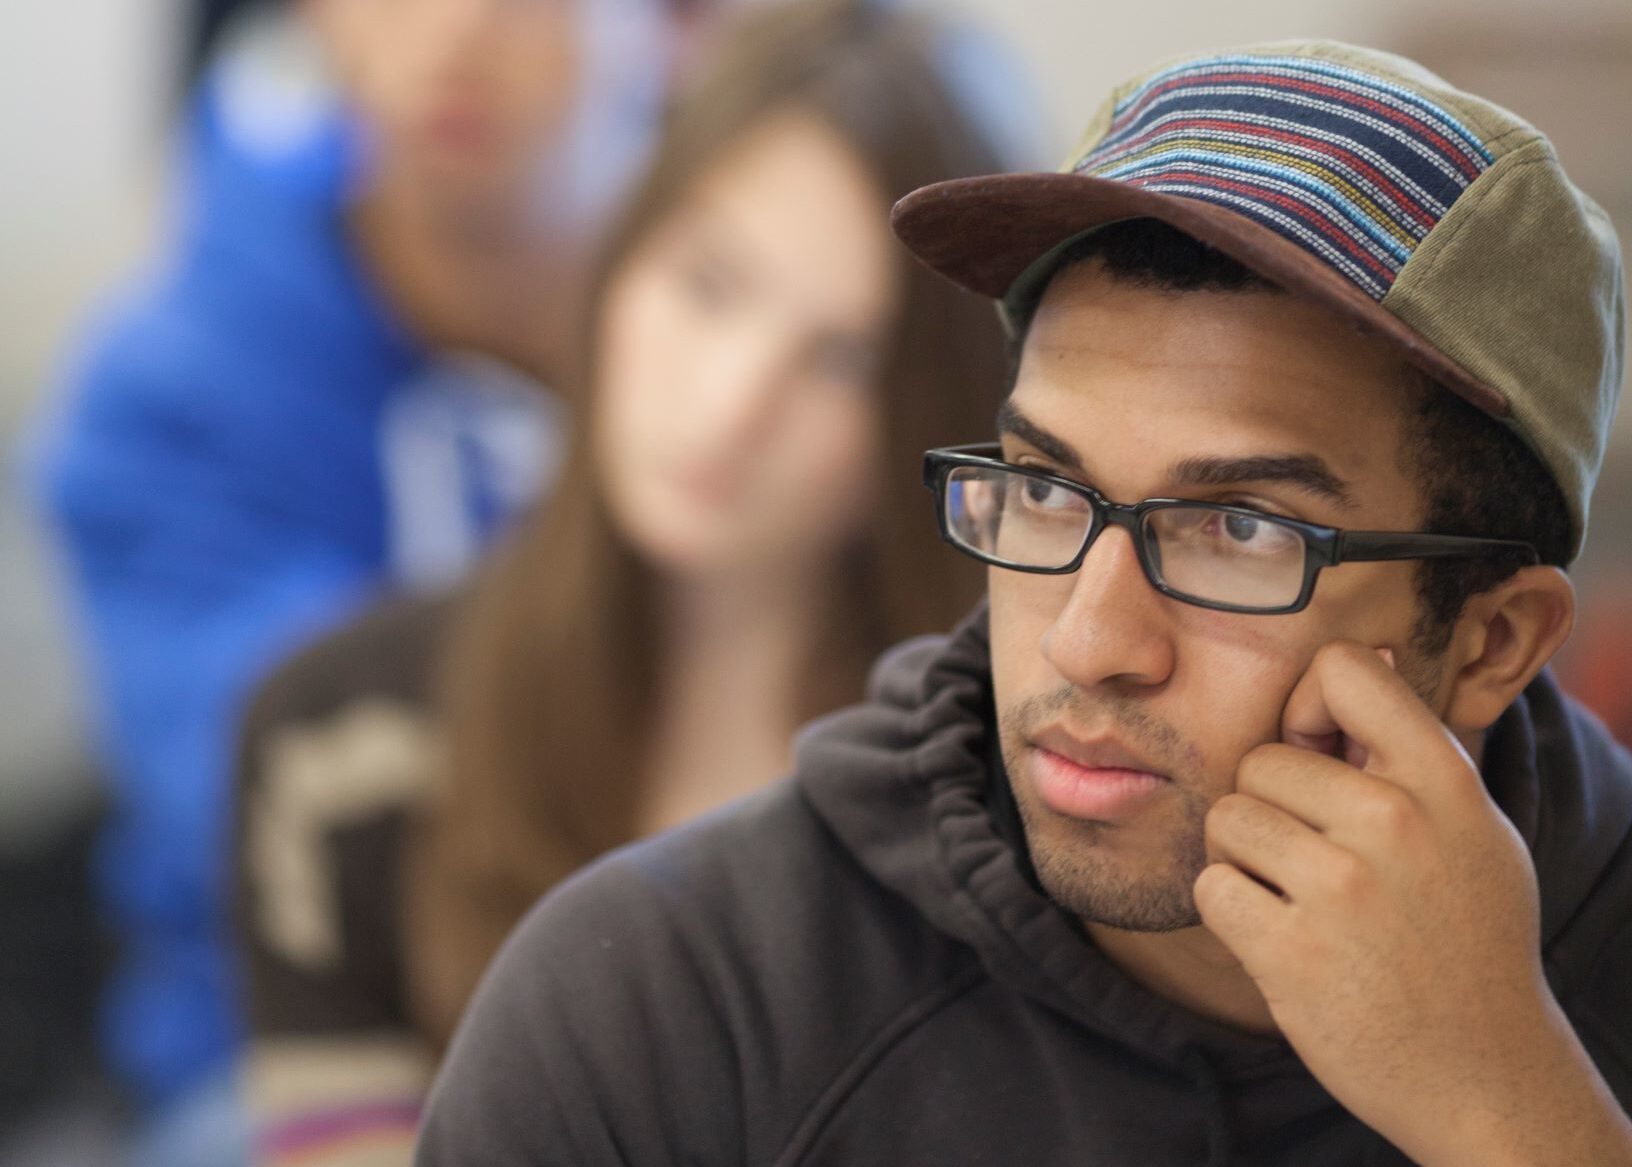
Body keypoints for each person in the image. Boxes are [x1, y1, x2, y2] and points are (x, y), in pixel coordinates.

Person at [414, 39, 1632, 1166]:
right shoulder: (671, 1008)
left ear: (1490, 641)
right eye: (1046, 492)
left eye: (1239, 532)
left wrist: (1508, 1110)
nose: (1090, 641)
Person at [232, 1, 1023, 1161]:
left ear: (931, 415)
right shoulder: (336, 744)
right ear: (616, 266)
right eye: (708, 283)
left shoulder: (1007, 800)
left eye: (843, 357)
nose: (730, 406)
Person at [23, 0, 688, 1145]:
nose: (455, 35)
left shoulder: (785, 329)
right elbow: (301, 846)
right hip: (299, 1034)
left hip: (730, 998)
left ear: (676, 25)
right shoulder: (166, 398)